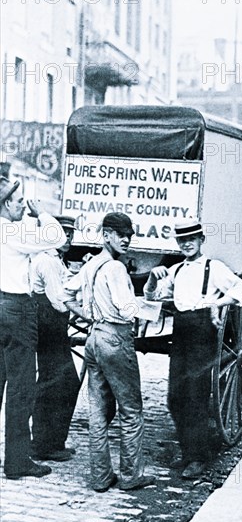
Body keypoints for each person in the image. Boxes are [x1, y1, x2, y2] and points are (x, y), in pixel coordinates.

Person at [144, 218, 242, 479]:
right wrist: (151, 277)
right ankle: (187, 452)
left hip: (203, 333)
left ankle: (198, 457)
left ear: (202, 240)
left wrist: (218, 303)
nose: (187, 244)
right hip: (181, 332)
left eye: (192, 239)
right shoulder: (176, 270)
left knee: (196, 396)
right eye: (182, 240)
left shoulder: (213, 268)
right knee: (174, 397)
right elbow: (151, 297)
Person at [62, 212, 159, 493]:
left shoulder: (91, 264)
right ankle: (130, 476)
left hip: (94, 339)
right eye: (120, 234)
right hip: (115, 340)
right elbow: (126, 308)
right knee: (132, 410)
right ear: (106, 235)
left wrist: (90, 315)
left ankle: (101, 477)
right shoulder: (116, 269)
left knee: (98, 411)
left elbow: (65, 295)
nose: (126, 239)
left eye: (129, 234)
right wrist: (157, 308)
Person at [0, 176, 65, 480]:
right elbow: (57, 238)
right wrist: (42, 213)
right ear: (5, 205)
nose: (23, 207)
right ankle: (16, 462)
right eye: (18, 202)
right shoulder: (13, 232)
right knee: (22, 388)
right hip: (17, 309)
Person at [31, 215, 81, 462]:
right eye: (63, 232)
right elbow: (59, 302)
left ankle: (52, 442)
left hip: (53, 326)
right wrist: (84, 310)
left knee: (62, 381)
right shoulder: (47, 261)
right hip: (48, 325)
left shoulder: (57, 260)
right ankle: (42, 445)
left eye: (71, 233)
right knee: (56, 381)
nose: (68, 238)